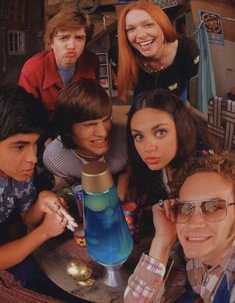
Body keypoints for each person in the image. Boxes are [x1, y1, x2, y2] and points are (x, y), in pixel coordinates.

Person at [0, 85, 88, 303]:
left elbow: (26, 217)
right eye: (20, 146)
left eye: (34, 144)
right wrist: (44, 233)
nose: (33, 158)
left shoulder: (19, 171)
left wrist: (42, 200)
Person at [124, 152, 235, 302]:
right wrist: (163, 239)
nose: (194, 222)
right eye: (186, 207)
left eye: (213, 207)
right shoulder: (187, 256)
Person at [126, 88, 216, 233]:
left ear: (180, 128)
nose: (148, 147)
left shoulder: (202, 169)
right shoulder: (160, 160)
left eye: (160, 132)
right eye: (139, 136)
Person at [43, 79, 128, 200]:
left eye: (106, 120)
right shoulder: (55, 159)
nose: (103, 133)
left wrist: (124, 183)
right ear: (67, 129)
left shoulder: (127, 139)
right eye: (90, 124)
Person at [18, 7, 99, 120]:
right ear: (51, 42)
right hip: (46, 133)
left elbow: (95, 107)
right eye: (64, 38)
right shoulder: (32, 69)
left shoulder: (92, 62)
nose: (71, 46)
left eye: (79, 38)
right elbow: (25, 118)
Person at [117, 0, 199, 101]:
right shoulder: (127, 55)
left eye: (148, 25)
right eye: (131, 29)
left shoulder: (188, 50)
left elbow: (191, 81)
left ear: (162, 24)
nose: (141, 35)